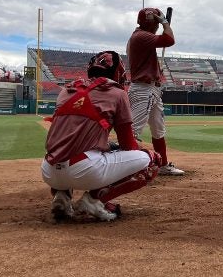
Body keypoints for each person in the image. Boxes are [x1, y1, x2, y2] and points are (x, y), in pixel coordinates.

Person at [41, 51, 160, 222]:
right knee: (151, 161)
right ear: (119, 73)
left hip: (49, 170)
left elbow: (69, 136)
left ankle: (61, 196)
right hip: (83, 170)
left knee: (68, 147)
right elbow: (128, 145)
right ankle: (94, 200)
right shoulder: (117, 93)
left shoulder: (66, 90)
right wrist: (134, 149)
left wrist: (108, 145)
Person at [126, 7, 184, 175]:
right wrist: (165, 22)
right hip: (143, 89)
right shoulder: (141, 36)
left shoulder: (140, 36)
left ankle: (163, 165)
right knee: (134, 131)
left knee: (158, 130)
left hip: (150, 88)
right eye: (156, 23)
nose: (157, 26)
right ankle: (127, 169)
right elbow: (169, 39)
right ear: (152, 23)